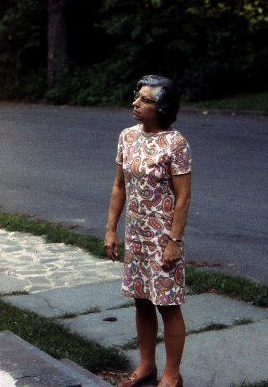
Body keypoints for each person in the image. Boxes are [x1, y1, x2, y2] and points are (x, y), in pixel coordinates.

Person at [105, 75, 191, 387]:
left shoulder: (176, 144)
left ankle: (171, 374)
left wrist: (174, 242)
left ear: (162, 107)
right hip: (137, 236)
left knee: (167, 304)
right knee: (141, 299)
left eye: (145, 100)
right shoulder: (127, 137)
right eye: (137, 96)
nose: (136, 103)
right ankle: (146, 366)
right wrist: (111, 230)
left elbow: (183, 197)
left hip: (163, 238)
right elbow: (119, 186)